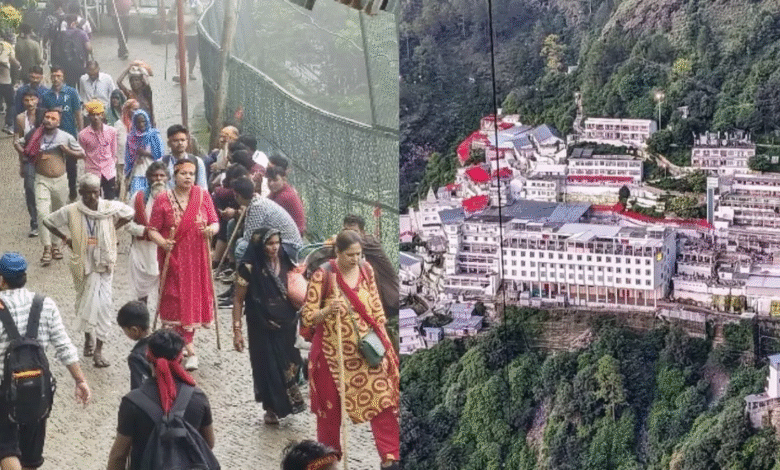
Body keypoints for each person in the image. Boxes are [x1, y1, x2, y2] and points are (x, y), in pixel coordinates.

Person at [301, 230, 400, 469]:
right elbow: (307, 316)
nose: (355, 259)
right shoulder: (323, 275)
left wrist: (385, 346)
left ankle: (390, 457)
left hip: (365, 354)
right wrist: (327, 311)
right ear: (338, 252)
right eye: (350, 255)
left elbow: (376, 309)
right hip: (330, 356)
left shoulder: (367, 270)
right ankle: (328, 461)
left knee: (383, 402)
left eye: (359, 254)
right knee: (329, 415)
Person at [0, 252, 91, 470]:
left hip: (4, 390)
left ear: (2, 280)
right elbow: (64, 346)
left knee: (6, 448)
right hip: (37, 389)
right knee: (31, 457)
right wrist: (80, 380)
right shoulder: (44, 304)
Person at [42, 173, 134, 368]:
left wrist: (113, 227)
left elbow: (130, 213)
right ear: (80, 192)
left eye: (95, 192)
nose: (92, 197)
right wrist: (66, 238)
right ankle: (87, 338)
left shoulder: (108, 207)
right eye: (87, 193)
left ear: (99, 191)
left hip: (104, 264)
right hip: (82, 264)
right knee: (85, 303)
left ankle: (99, 350)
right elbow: (48, 221)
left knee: (104, 306)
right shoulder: (72, 210)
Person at [106, 329, 215, 470]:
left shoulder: (133, 402)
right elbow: (208, 443)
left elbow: (118, 456)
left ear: (148, 357)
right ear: (180, 358)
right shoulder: (198, 397)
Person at [147, 157, 219, 371]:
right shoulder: (163, 199)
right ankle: (176, 347)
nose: (188, 177)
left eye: (191, 174)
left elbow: (215, 221)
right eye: (183, 173)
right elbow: (152, 230)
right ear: (174, 176)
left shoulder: (202, 196)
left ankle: (187, 346)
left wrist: (211, 230)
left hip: (196, 260)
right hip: (174, 258)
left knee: (192, 300)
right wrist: (163, 243)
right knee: (174, 299)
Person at [231, 228, 306, 425]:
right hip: (261, 327)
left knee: (292, 363)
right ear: (260, 245)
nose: (274, 248)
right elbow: (238, 300)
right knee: (268, 367)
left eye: (277, 243)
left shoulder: (285, 258)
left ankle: (286, 402)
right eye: (269, 244)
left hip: (287, 325)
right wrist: (237, 331)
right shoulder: (249, 267)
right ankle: (271, 408)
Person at [27, 108, 85, 266]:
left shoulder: (66, 136)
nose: (49, 120)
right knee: (42, 212)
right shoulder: (35, 135)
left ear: (58, 122)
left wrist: (67, 151)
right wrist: (27, 158)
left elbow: (82, 154)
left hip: (60, 180)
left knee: (57, 214)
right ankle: (46, 247)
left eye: (53, 118)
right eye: (47, 117)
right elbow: (20, 145)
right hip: (41, 179)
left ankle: (55, 245)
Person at [126, 161, 168, 304]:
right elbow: (127, 223)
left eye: (162, 175)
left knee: (166, 291)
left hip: (164, 249)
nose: (159, 179)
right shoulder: (138, 197)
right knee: (141, 292)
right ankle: (142, 314)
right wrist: (145, 231)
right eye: (155, 176)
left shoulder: (174, 198)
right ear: (148, 177)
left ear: (167, 178)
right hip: (142, 250)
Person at [232, 177, 302, 262]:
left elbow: (249, 238)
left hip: (290, 248)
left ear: (238, 196)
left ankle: (247, 270)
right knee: (241, 242)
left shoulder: (257, 206)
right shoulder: (256, 201)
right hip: (282, 243)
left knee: (242, 247)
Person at [342, 214, 399, 318]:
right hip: (380, 299)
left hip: (389, 301)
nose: (350, 236)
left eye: (354, 232)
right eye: (346, 231)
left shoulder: (369, 242)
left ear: (362, 232)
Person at [40, 67, 83, 202]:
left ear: (63, 77)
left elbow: (78, 112)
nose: (56, 78)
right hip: (52, 134)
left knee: (71, 164)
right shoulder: (46, 95)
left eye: (58, 76)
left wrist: (81, 132)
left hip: (69, 132)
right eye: (53, 76)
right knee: (55, 161)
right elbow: (42, 115)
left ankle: (72, 190)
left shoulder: (71, 92)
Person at [13, 90, 45, 239]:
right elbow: (17, 141)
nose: (30, 103)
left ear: (37, 100)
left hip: (45, 157)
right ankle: (34, 221)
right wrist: (22, 162)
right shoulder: (20, 118)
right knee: (29, 188)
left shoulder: (45, 115)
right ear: (23, 102)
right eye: (27, 100)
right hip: (29, 159)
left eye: (32, 99)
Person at [78, 100, 119, 199]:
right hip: (92, 172)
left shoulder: (112, 131)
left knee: (110, 200)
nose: (95, 117)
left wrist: (113, 168)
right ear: (89, 116)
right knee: (93, 200)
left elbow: (114, 152)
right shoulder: (83, 135)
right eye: (93, 115)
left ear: (102, 115)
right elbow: (82, 154)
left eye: (98, 114)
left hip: (108, 171)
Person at [124, 109, 163, 198]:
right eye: (138, 122)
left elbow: (159, 154)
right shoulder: (131, 137)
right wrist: (127, 173)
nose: (141, 124)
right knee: (136, 197)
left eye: (143, 121)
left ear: (147, 121)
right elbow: (128, 157)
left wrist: (145, 153)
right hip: (138, 172)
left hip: (153, 171)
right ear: (134, 123)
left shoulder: (154, 135)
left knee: (154, 198)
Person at [116, 300, 152, 391]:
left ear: (134, 330)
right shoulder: (164, 339)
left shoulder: (136, 357)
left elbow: (139, 389)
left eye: (124, 330)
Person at [162, 124, 207, 189]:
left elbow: (202, 187)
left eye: (183, 140)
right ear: (168, 143)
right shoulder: (163, 163)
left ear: (187, 142)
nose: (180, 143)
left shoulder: (197, 162)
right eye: (175, 140)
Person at [267, 166, 306, 237]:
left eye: (275, 180)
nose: (271, 184)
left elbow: (267, 214)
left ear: (284, 180)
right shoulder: (279, 190)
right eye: (269, 180)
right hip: (287, 230)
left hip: (293, 235)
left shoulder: (284, 196)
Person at [170, 0, 203, 82]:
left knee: (192, 53)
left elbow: (200, 15)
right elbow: (171, 11)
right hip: (179, 31)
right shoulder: (176, 1)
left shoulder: (195, 2)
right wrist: (170, 20)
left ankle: (190, 72)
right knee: (179, 51)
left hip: (192, 32)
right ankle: (179, 73)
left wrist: (192, 21)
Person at [57, 15, 91, 90]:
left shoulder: (61, 34)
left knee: (69, 87)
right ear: (76, 22)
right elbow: (88, 48)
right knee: (81, 86)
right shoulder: (82, 33)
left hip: (66, 64)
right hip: (80, 64)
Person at [117, 62, 154, 127]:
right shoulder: (130, 94)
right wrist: (128, 69)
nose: (134, 83)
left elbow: (147, 83)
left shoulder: (146, 93)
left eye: (136, 80)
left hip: (148, 125)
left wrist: (141, 69)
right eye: (131, 81)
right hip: (135, 126)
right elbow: (119, 82)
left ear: (141, 81)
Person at [0, 33, 20, 134]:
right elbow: (13, 60)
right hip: (5, 81)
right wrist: (19, 65)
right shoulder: (7, 46)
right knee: (11, 103)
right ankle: (9, 125)